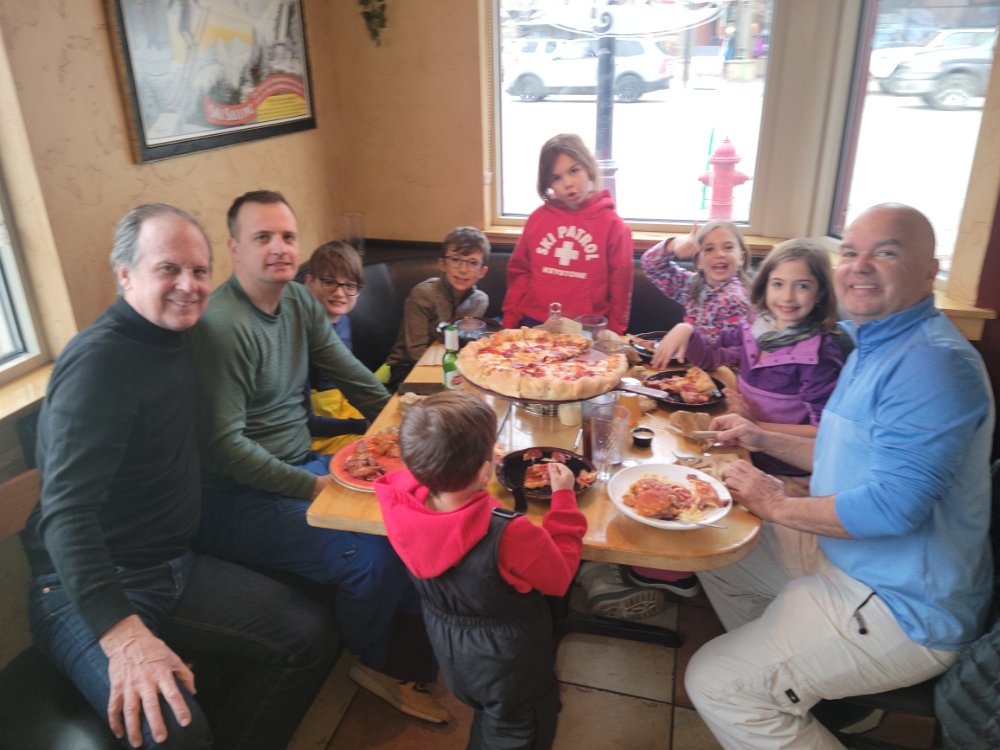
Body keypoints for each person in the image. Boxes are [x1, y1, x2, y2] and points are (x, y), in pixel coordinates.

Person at [21, 203, 338, 750]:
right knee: (175, 731)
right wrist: (123, 636)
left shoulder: (181, 339)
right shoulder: (99, 364)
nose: (188, 285)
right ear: (125, 275)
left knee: (308, 638)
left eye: (199, 270)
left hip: (175, 566)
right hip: (86, 586)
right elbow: (65, 515)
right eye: (168, 268)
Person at [685, 203, 995, 749]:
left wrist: (777, 504)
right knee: (713, 542)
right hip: (845, 561)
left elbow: (892, 508)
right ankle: (802, 680)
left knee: (717, 683)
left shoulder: (932, 363)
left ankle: (767, 686)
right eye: (850, 252)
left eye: (886, 252)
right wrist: (761, 438)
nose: (861, 265)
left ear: (929, 271)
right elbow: (841, 454)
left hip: (901, 605)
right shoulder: (874, 342)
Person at [190, 190, 448, 724]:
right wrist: (312, 487)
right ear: (234, 248)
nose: (279, 247)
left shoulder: (297, 301)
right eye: (262, 237)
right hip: (236, 498)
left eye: (287, 236)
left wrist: (411, 430)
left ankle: (419, 628)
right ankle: (375, 663)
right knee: (371, 554)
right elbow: (224, 448)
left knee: (409, 509)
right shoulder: (222, 327)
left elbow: (349, 373)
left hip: (301, 461)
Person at [375, 391, 587, 748]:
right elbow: (560, 576)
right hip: (509, 660)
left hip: (451, 650)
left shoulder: (400, 503)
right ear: (484, 469)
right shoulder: (510, 534)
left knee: (489, 709)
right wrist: (563, 499)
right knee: (518, 724)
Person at [651, 238, 851, 474]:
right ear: (765, 286)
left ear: (820, 293)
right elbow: (709, 359)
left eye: (802, 286)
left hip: (779, 465)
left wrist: (757, 427)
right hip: (740, 442)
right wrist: (687, 330)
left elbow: (823, 431)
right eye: (778, 284)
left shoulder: (818, 355)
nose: (787, 296)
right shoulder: (753, 326)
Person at [502, 133, 634, 335]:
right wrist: (509, 322)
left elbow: (620, 287)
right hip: (534, 323)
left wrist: (614, 334)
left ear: (588, 167)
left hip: (587, 328)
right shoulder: (537, 219)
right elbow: (519, 273)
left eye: (574, 170)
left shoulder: (614, 226)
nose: (568, 183)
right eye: (556, 178)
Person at [385, 226, 490, 390]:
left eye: (473, 263)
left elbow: (467, 344)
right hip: (408, 368)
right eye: (455, 260)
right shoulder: (424, 294)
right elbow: (415, 351)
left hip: (453, 365)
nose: (463, 270)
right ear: (442, 264)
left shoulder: (479, 301)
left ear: (482, 271)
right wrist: (452, 370)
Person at [298, 240, 369, 454]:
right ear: (309, 282)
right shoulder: (300, 337)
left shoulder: (344, 321)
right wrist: (362, 425)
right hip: (317, 437)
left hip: (343, 412)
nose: (339, 293)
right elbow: (305, 422)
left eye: (349, 285)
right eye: (329, 282)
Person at [640, 220, 752, 344]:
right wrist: (673, 244)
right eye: (709, 249)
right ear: (698, 262)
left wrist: (685, 332)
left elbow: (733, 352)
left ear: (741, 258)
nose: (720, 254)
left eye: (728, 247)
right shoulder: (691, 285)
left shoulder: (736, 300)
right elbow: (650, 264)